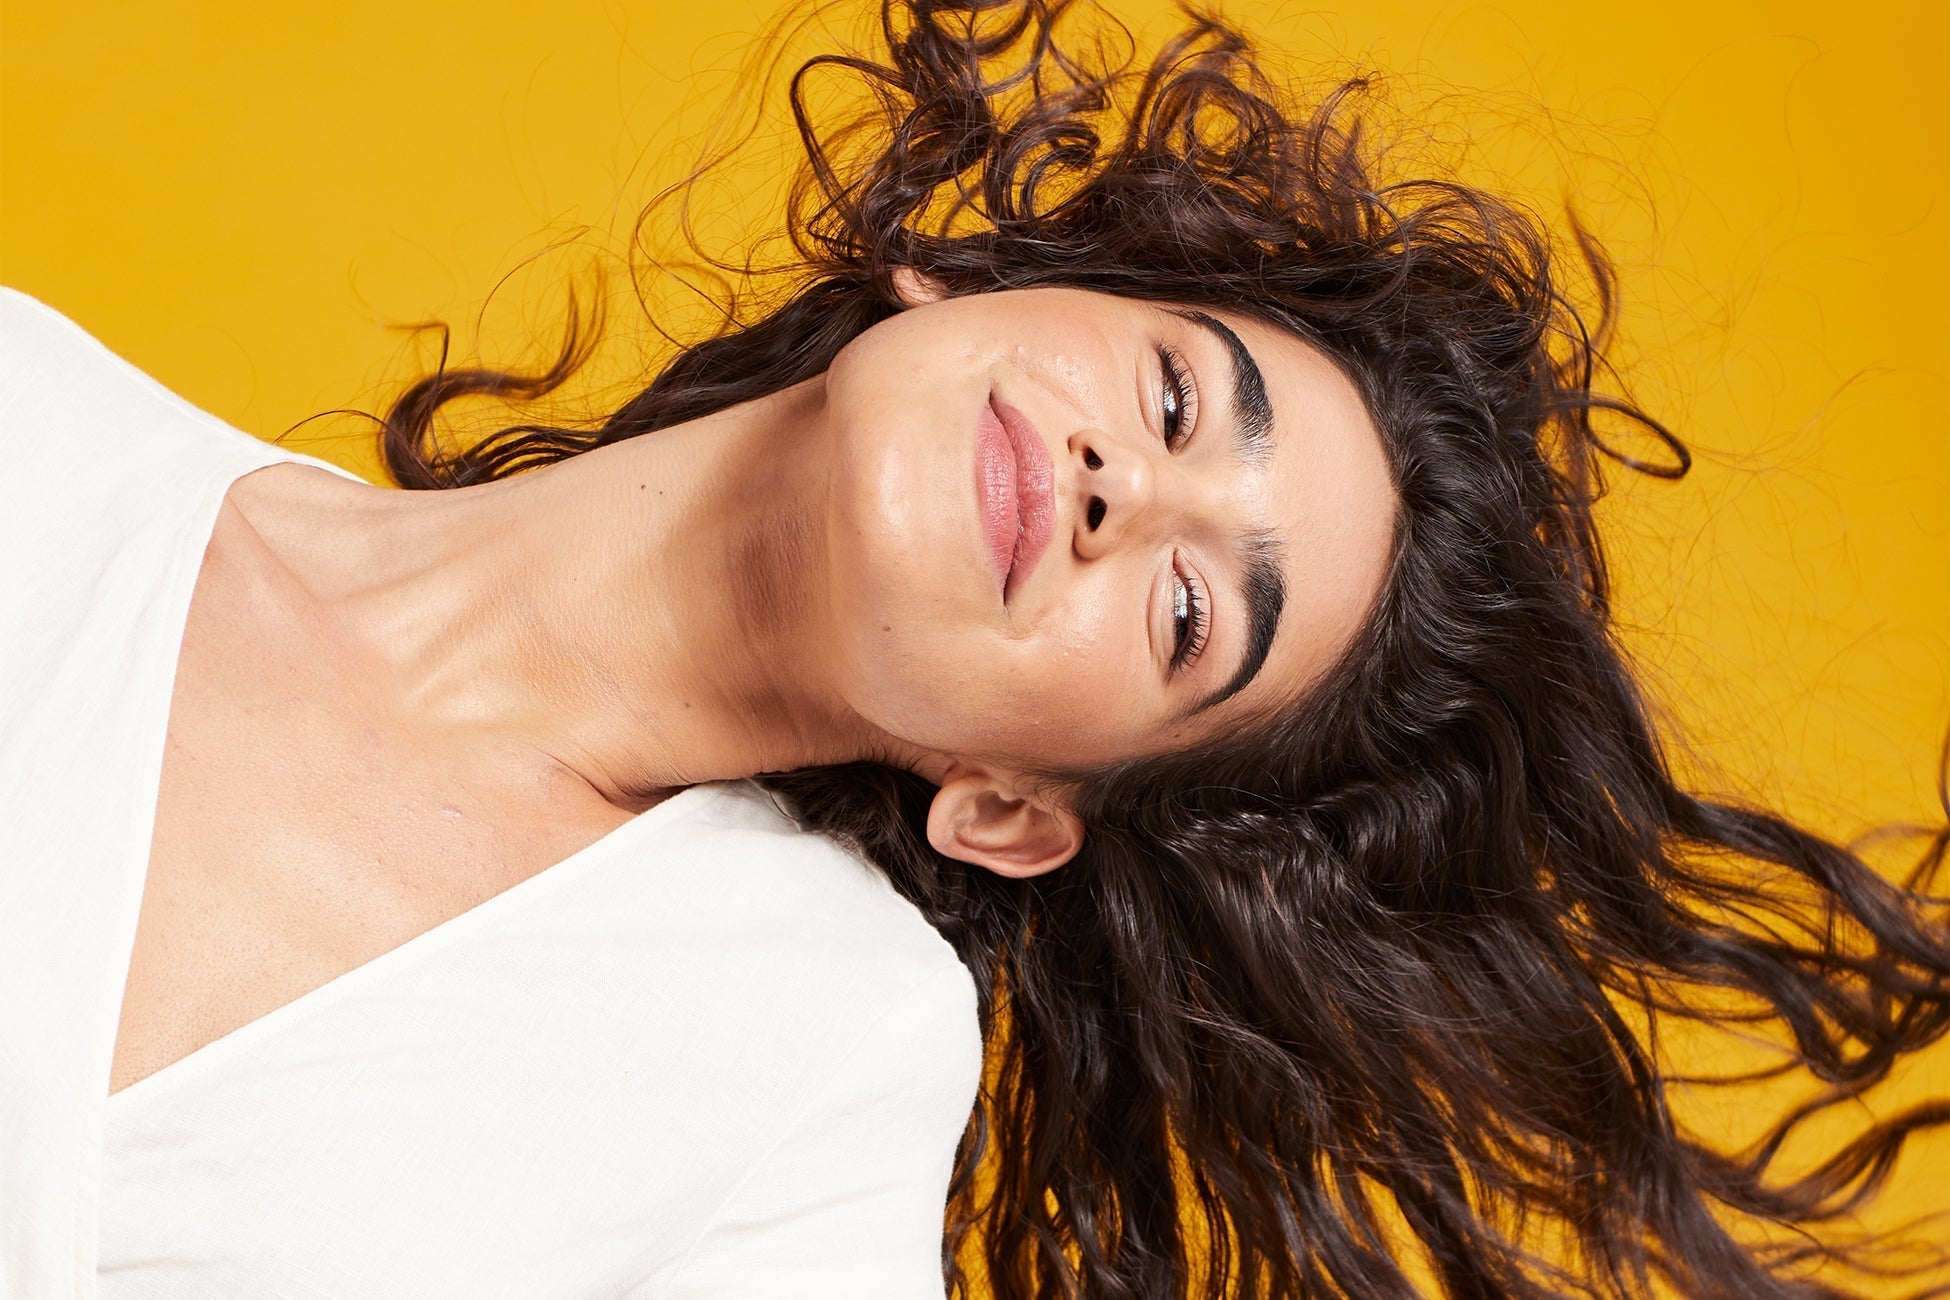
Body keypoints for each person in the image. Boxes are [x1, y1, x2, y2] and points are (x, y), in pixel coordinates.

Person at [2, 0, 1944, 1296]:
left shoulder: (813, 1041)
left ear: (1017, 807)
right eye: (1179, 398)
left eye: (1194, 612)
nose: (1132, 494)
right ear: (967, 287)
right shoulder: (27, 408)